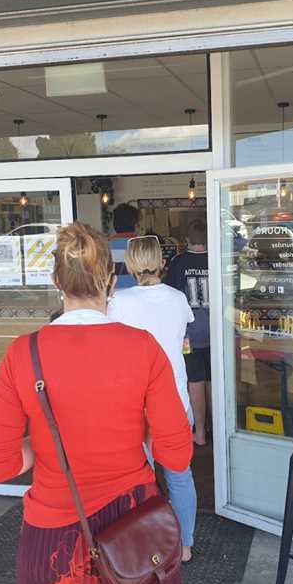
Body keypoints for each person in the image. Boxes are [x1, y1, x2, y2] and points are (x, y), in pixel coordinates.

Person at [0, 222, 191, 584]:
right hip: (136, 537)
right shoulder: (142, 348)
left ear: (56, 281)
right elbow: (177, 455)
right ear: (111, 281)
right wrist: (137, 428)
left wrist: (46, 443)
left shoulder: (23, 353)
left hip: (53, 544)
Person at [108, 235, 198, 562]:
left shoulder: (118, 302)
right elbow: (183, 336)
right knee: (180, 475)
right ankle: (185, 545)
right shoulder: (176, 298)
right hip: (175, 400)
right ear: (162, 261)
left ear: (130, 264)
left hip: (135, 404)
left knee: (137, 477)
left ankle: (142, 545)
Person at [165, 219, 211, 445]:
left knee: (195, 381)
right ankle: (219, 428)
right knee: (214, 381)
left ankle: (200, 433)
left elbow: (170, 297)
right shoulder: (216, 260)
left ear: (187, 241)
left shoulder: (178, 262)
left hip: (188, 336)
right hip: (216, 334)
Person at [109, 203, 139, 290]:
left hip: (113, 296)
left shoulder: (104, 247)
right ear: (135, 223)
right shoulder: (142, 246)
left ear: (114, 223)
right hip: (139, 296)